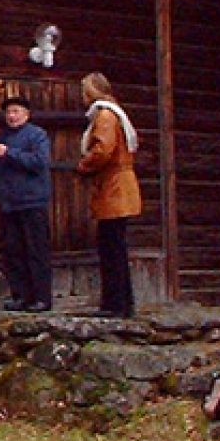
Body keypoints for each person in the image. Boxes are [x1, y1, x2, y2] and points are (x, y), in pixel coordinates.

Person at [75, 72, 142, 318]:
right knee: (115, 246)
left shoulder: (104, 115)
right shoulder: (115, 112)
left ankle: (115, 304)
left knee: (111, 246)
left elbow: (103, 149)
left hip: (114, 187)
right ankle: (121, 302)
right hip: (119, 186)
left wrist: (84, 165)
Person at [0, 95, 52, 312]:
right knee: (13, 252)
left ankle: (41, 298)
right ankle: (20, 296)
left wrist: (10, 153)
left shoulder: (37, 135)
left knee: (36, 251)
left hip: (33, 201)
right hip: (9, 203)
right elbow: (0, 171)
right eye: (9, 112)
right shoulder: (2, 137)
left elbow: (39, 162)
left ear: (26, 115)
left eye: (16, 111)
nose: (11, 116)